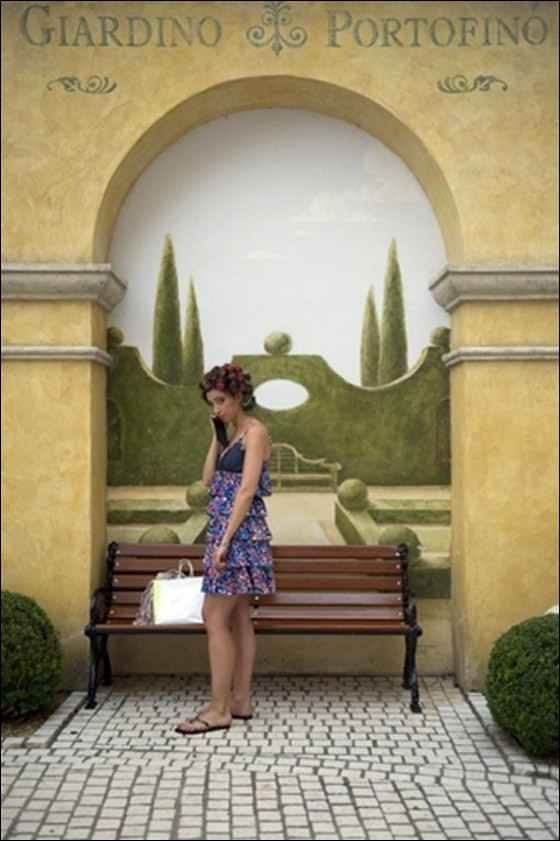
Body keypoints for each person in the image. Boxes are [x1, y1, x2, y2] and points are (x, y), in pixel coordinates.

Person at [175, 362, 275, 735]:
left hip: (239, 537)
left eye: (220, 400)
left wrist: (226, 542)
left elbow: (247, 490)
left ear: (238, 396)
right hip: (231, 534)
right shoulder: (232, 435)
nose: (216, 409)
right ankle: (240, 700)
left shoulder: (255, 432)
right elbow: (207, 479)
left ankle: (218, 710)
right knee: (238, 618)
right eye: (211, 403)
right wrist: (216, 436)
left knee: (213, 617)